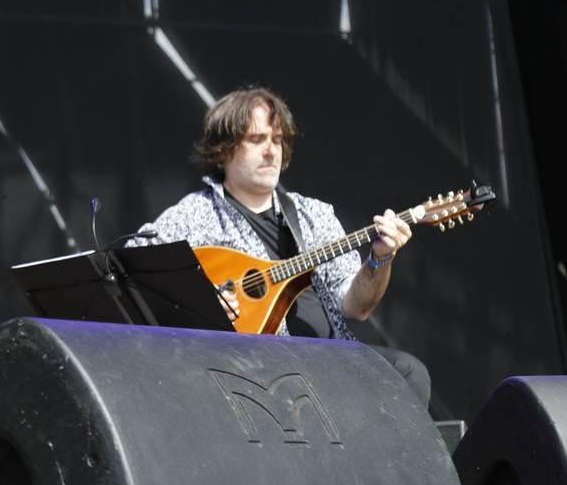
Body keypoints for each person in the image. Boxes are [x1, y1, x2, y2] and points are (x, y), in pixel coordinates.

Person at [129, 86, 431, 406]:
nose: (272, 152)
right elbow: (135, 272)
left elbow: (358, 307)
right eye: (257, 140)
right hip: (250, 371)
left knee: (408, 372)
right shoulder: (192, 215)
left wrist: (380, 260)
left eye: (277, 140)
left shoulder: (313, 214)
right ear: (223, 150)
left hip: (332, 360)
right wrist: (200, 303)